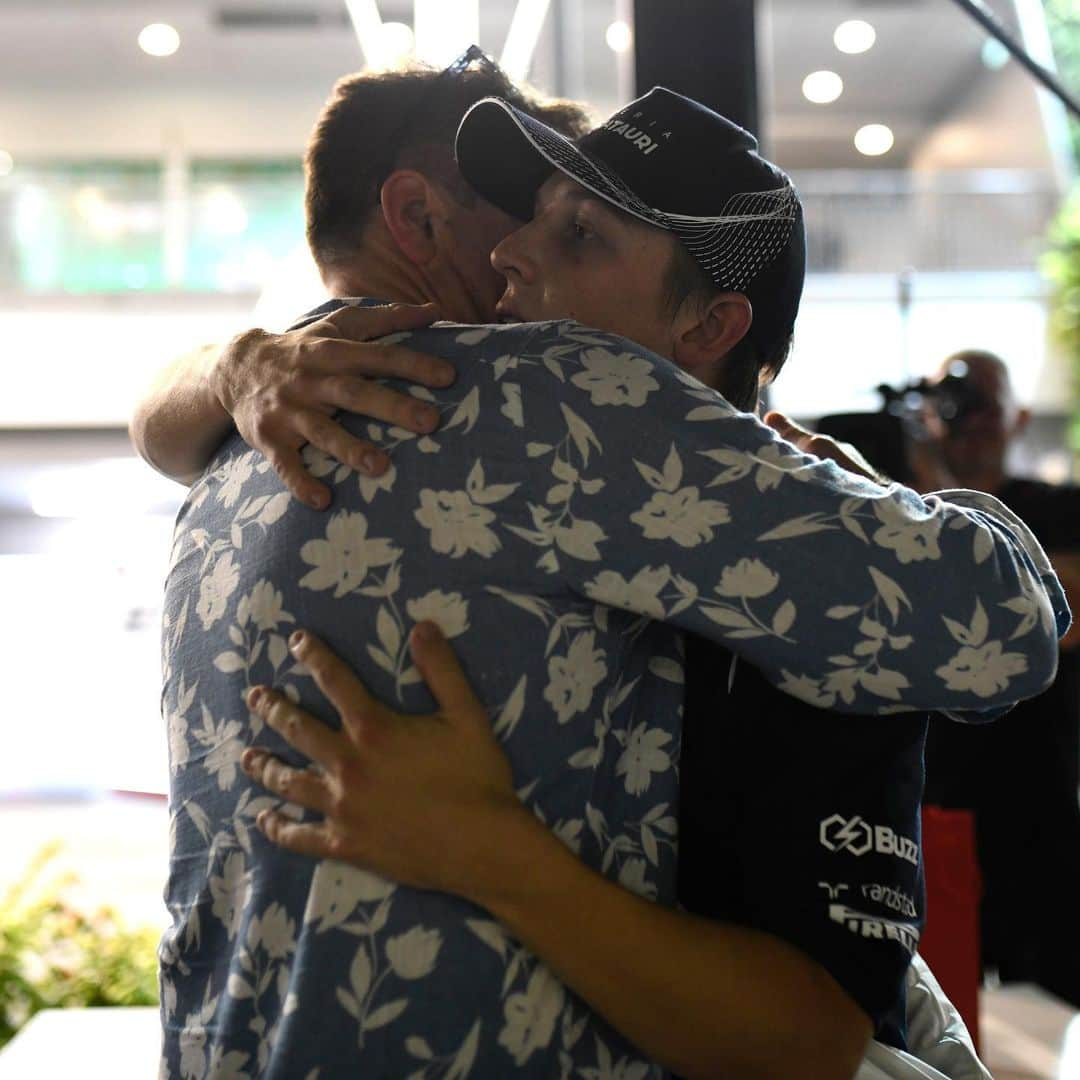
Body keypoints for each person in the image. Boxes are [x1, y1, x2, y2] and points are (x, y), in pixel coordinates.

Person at [144, 60, 1065, 1078]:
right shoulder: (546, 402)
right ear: (412, 217)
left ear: (710, 327)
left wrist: (225, 364)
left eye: (576, 232)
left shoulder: (232, 448)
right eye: (524, 211)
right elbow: (1002, 627)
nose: (510, 249)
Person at [916, 348, 1080, 1007]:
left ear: (1018, 418)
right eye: (958, 405)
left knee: (1056, 997)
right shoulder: (906, 509)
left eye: (989, 403)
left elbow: (1063, 619)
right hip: (933, 802)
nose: (974, 421)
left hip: (1039, 800)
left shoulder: (1057, 507)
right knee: (942, 1006)